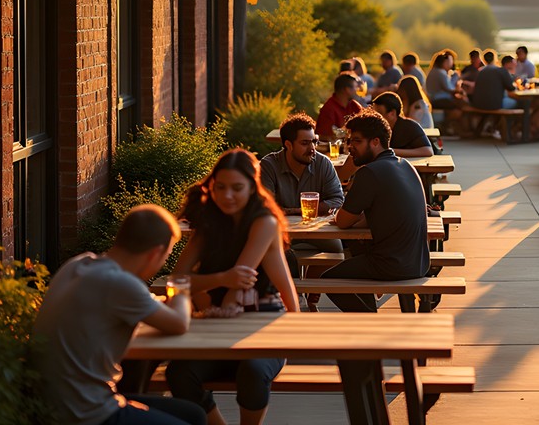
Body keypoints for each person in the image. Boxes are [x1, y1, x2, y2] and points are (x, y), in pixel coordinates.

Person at [33, 205, 206, 425]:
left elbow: (143, 306)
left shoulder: (79, 264)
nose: (163, 263)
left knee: (194, 415)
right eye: (166, 256)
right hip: (85, 412)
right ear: (155, 253)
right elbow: (179, 323)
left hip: (57, 400)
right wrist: (181, 286)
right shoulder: (120, 284)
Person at [166, 149, 300, 425]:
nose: (227, 196)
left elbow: (240, 281)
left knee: (251, 371)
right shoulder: (208, 222)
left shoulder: (264, 221)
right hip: (216, 324)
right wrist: (216, 285)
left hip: (263, 321)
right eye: (221, 187)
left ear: (253, 187)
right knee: (179, 374)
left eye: (237, 188)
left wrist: (223, 297)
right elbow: (176, 280)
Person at [316, 109, 430, 313]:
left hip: (391, 265)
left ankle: (370, 321)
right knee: (358, 251)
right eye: (350, 141)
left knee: (328, 280)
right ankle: (373, 317)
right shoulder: (406, 166)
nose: (350, 147)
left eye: (357, 141)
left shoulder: (369, 173)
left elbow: (342, 221)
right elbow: (380, 214)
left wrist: (342, 217)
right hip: (419, 262)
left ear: (375, 142)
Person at [259, 113, 345, 305]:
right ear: (288, 145)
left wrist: (293, 211)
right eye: (305, 143)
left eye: (314, 141)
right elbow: (266, 206)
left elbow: (338, 200)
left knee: (338, 252)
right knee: (283, 254)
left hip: (318, 231)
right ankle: (292, 299)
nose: (312, 148)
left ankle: (314, 285)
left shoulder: (323, 163)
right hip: (283, 234)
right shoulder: (269, 165)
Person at [371, 92, 434, 158]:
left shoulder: (410, 126)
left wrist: (390, 151)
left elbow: (428, 151)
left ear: (392, 113)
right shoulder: (375, 127)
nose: (375, 116)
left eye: (379, 113)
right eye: (374, 113)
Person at [425, 48, 464, 131]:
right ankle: (446, 125)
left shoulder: (433, 71)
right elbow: (450, 89)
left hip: (433, 98)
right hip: (439, 99)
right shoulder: (441, 72)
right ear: (444, 62)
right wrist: (459, 87)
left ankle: (447, 126)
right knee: (462, 106)